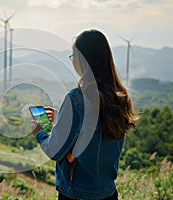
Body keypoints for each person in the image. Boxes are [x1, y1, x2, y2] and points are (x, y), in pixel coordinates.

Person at [32, 29, 138, 200]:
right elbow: (95, 130)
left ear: (82, 60)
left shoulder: (76, 100)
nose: (72, 61)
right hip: (108, 193)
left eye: (73, 56)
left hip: (76, 195)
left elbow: (55, 151)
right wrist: (62, 118)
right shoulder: (119, 99)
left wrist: (40, 133)